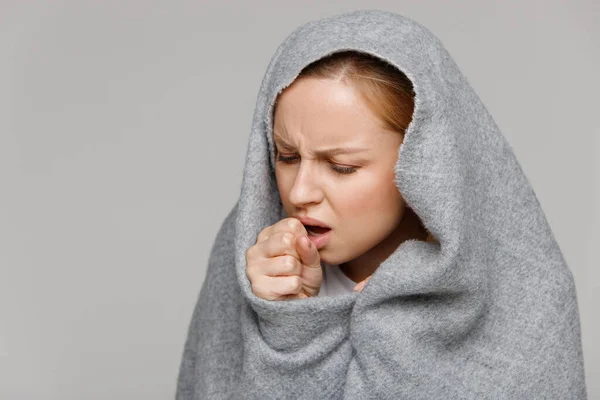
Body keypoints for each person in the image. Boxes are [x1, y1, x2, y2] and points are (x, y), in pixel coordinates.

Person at [176, 10, 587, 399]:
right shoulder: (250, 256)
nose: (300, 192)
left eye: (341, 167)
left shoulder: (529, 298)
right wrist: (289, 323)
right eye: (286, 156)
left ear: (424, 163)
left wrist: (399, 327)